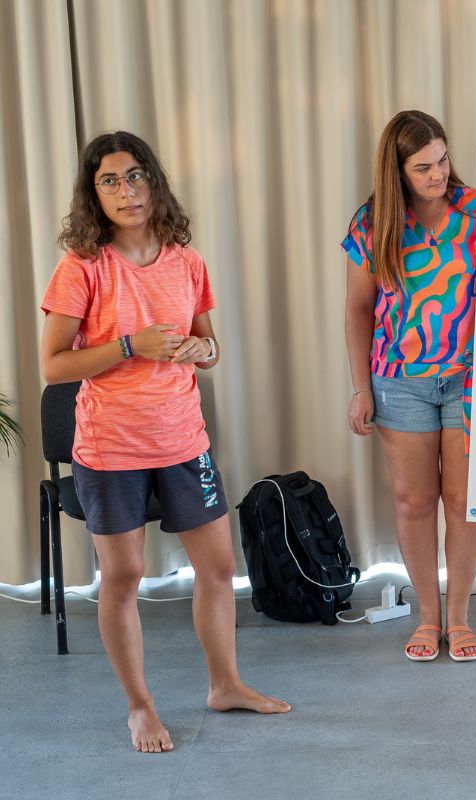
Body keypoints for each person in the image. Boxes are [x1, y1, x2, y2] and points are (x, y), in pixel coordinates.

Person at [40, 131, 291, 753]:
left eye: (134, 176)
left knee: (220, 568)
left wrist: (203, 349)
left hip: (184, 441)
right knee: (124, 576)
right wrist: (131, 346)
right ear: (94, 193)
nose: (126, 191)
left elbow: (209, 345)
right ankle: (140, 706)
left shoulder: (186, 259)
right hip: (110, 448)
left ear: (152, 180)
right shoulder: (81, 267)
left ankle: (225, 685)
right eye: (109, 181)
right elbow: (53, 366)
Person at [343, 110, 476, 662]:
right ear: (397, 172)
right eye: (423, 167)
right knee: (414, 502)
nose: (438, 174)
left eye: (443, 160)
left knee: (464, 501)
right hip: (398, 382)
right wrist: (361, 388)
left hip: (469, 379)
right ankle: (428, 617)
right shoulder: (372, 223)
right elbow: (358, 310)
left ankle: (459, 617)